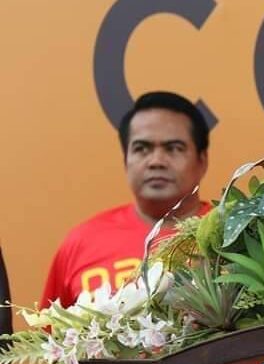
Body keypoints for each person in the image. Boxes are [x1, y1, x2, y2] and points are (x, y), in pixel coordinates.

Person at [41, 91, 211, 308]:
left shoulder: (229, 236)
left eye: (173, 148)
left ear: (202, 161)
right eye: (142, 149)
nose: (156, 161)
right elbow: (50, 328)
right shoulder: (81, 243)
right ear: (125, 160)